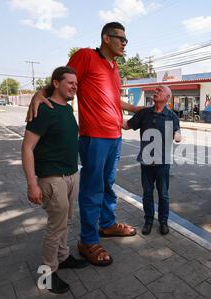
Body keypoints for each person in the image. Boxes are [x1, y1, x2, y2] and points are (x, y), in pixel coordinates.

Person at [26, 22, 140, 267]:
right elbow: (62, 80)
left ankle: (107, 225)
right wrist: (40, 94)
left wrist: (138, 109)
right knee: (92, 189)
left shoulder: (114, 67)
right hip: (94, 137)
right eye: (120, 38)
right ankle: (87, 241)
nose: (124, 43)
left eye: (126, 40)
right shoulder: (86, 56)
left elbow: (113, 100)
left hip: (115, 137)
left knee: (108, 185)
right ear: (105, 38)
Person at [21, 67, 88, 294]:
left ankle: (63, 256)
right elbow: (27, 148)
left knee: (65, 222)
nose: (74, 87)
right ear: (56, 83)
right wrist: (32, 184)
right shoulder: (44, 109)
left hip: (71, 175)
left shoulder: (67, 109)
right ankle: (46, 275)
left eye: (76, 84)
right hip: (52, 179)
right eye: (69, 82)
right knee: (55, 227)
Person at [123, 85, 181, 235]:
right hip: (146, 162)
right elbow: (126, 125)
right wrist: (107, 111)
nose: (156, 91)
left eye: (160, 90)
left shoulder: (171, 116)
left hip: (162, 163)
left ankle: (163, 222)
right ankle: (148, 221)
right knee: (147, 193)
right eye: (155, 90)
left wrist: (177, 135)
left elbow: (177, 130)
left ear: (167, 98)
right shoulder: (144, 113)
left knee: (163, 194)